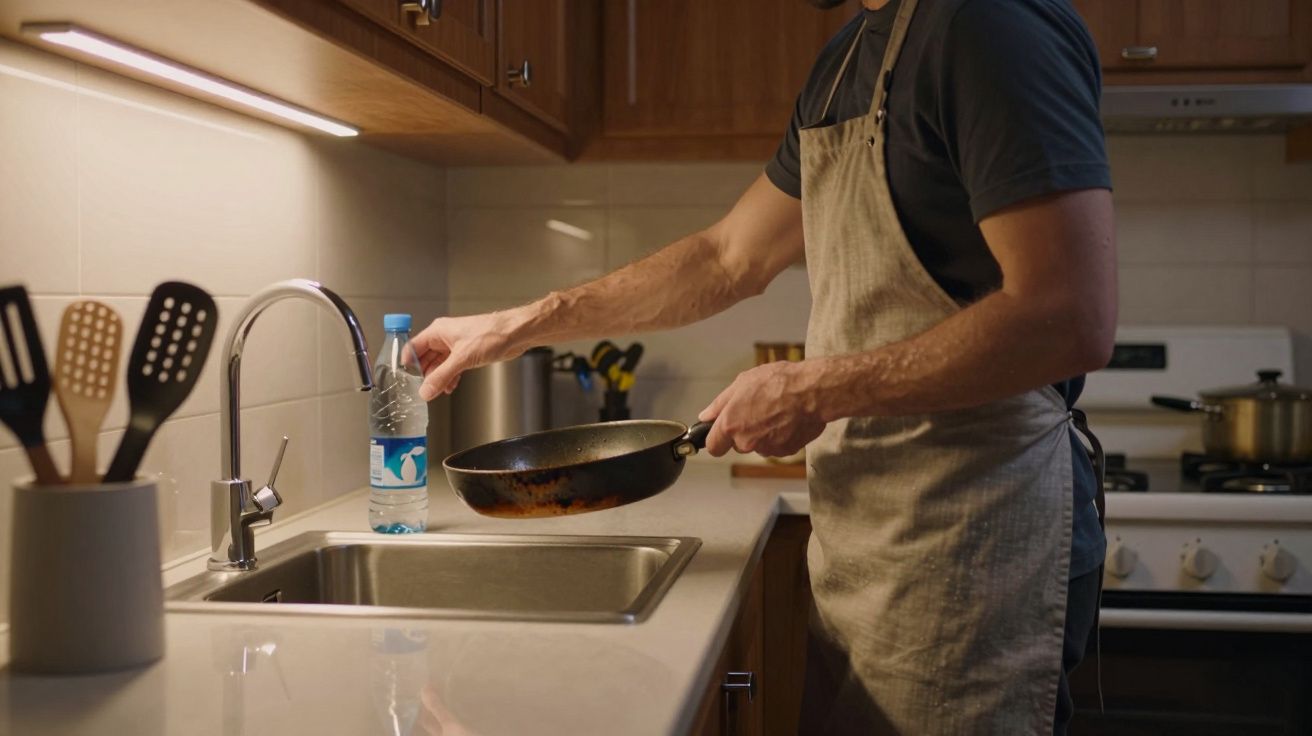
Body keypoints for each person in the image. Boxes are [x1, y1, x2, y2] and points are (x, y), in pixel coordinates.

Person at [412, 0, 1115, 731]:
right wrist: (524, 323)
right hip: (867, 546)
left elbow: (1068, 316)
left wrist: (816, 386)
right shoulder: (843, 59)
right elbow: (728, 258)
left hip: (978, 543)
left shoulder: (989, 24)